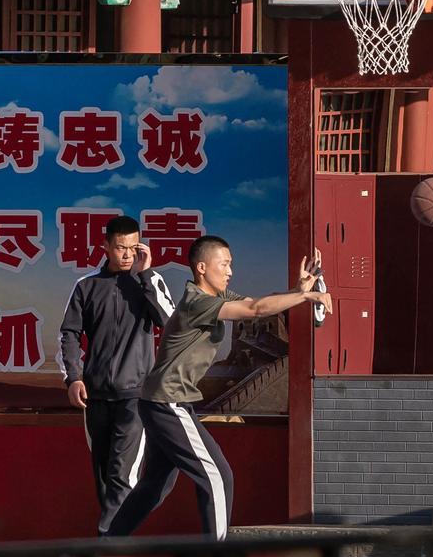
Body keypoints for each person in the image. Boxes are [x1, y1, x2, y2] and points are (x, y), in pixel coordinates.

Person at [105, 236, 332, 540]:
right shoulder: (198, 302)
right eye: (224, 264)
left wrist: (298, 291)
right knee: (216, 475)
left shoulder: (218, 295)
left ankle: (109, 543)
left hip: (161, 402)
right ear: (202, 267)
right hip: (167, 403)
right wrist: (305, 298)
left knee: (155, 485)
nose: (230, 271)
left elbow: (260, 306)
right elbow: (255, 309)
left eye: (231, 265)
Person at [57, 215, 176, 536]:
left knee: (124, 475)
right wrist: (74, 377)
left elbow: (169, 320)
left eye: (132, 247)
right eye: (120, 248)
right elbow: (68, 334)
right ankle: (114, 541)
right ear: (106, 246)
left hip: (136, 397)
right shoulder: (86, 286)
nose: (126, 254)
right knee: (104, 477)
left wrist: (147, 272)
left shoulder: (148, 282)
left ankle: (108, 546)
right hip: (94, 396)